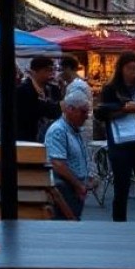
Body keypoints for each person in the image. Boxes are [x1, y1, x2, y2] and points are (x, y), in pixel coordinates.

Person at [93, 50, 135, 222]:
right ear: (121, 69)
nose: (133, 72)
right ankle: (119, 224)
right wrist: (125, 109)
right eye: (129, 68)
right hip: (121, 143)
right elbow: (101, 113)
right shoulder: (111, 89)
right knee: (121, 187)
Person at [44, 89, 95, 220]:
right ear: (70, 109)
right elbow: (57, 164)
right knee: (67, 223)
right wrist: (78, 185)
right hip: (65, 190)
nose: (86, 116)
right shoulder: (58, 130)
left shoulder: (74, 129)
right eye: (83, 112)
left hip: (73, 189)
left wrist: (87, 177)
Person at [16, 56, 62, 143]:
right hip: (28, 139)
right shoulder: (22, 90)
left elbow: (58, 112)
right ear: (34, 72)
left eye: (52, 70)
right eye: (47, 70)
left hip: (51, 139)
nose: (51, 74)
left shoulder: (54, 89)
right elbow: (27, 114)